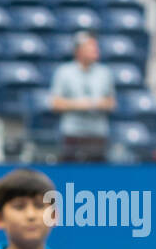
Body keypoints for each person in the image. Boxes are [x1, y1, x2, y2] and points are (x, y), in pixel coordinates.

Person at [49, 31, 114, 163]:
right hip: (72, 134)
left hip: (97, 135)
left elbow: (111, 103)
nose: (95, 50)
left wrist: (93, 104)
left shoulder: (105, 72)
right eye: (91, 47)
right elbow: (55, 103)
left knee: (97, 178)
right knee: (70, 180)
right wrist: (79, 104)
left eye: (96, 47)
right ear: (78, 50)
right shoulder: (64, 72)